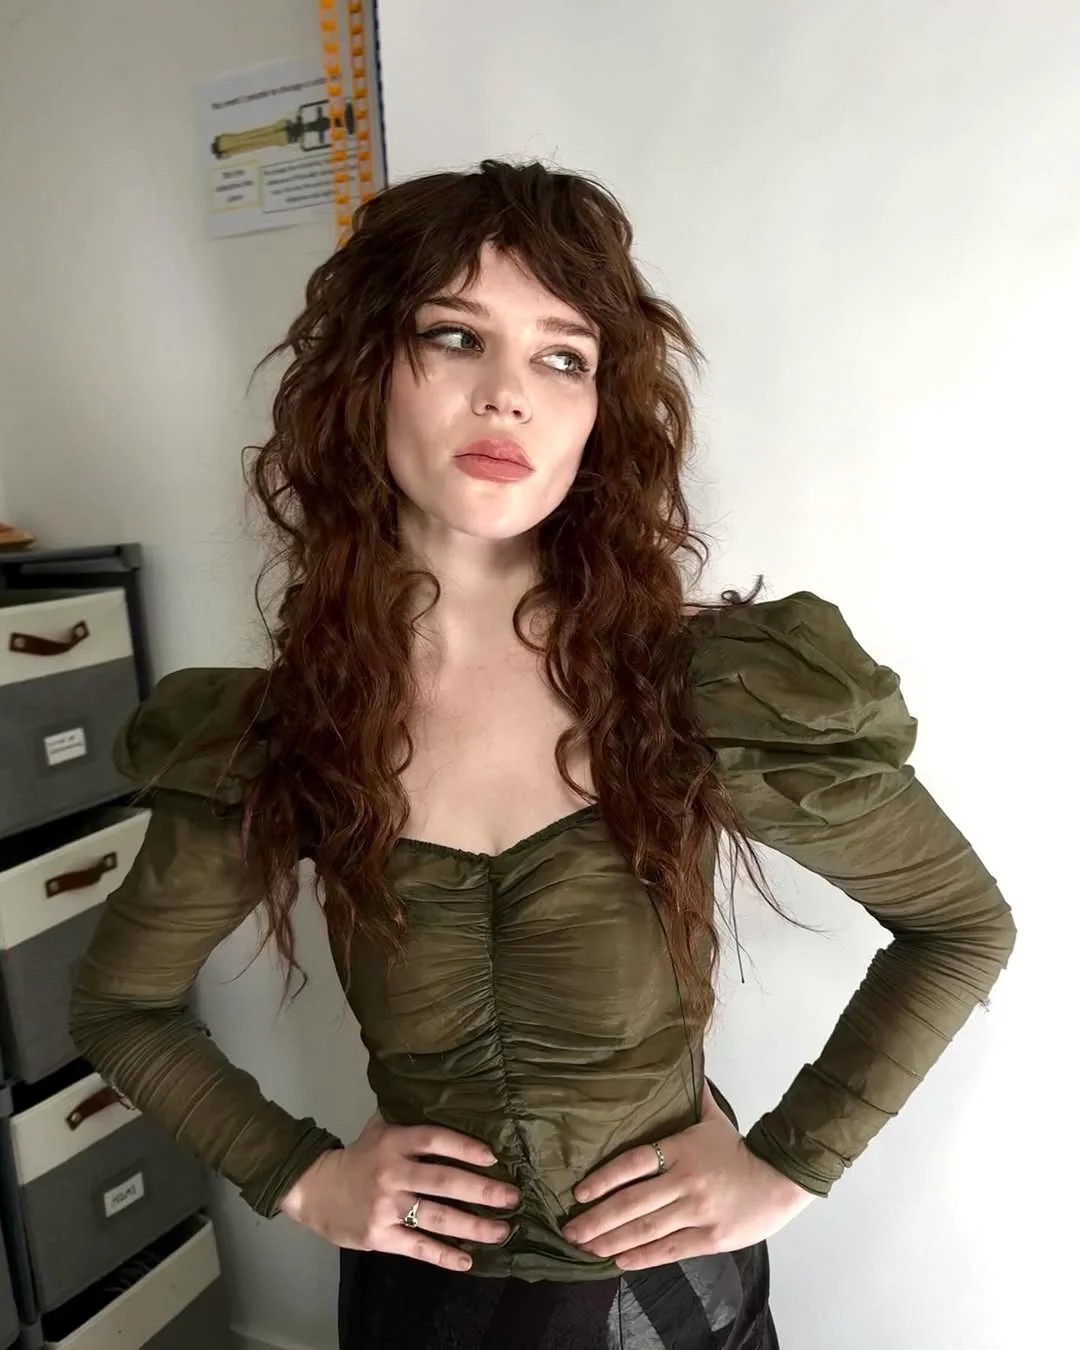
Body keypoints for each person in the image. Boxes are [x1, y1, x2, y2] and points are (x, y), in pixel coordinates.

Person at [69, 159, 1016, 1349]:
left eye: (563, 357)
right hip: (422, 1306)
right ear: (366, 374)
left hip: (667, 1308)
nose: (507, 395)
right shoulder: (281, 733)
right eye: (456, 337)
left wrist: (789, 1164)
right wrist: (300, 1176)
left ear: (599, 411)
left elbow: (960, 923)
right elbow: (121, 1005)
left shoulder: (702, 692)